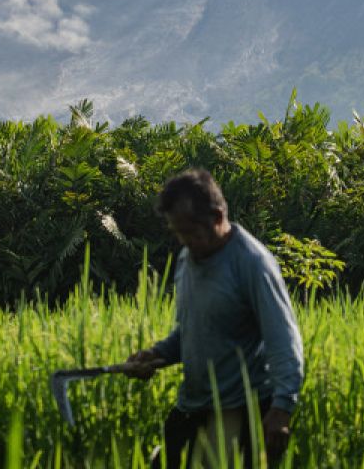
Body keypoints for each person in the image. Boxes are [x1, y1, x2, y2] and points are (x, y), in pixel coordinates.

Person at [123, 168, 304, 467]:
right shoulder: (188, 258)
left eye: (191, 232)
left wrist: (282, 408)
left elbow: (284, 340)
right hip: (194, 407)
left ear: (218, 218)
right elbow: (194, 331)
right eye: (178, 232)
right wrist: (156, 355)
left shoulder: (252, 263)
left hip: (243, 412)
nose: (184, 241)